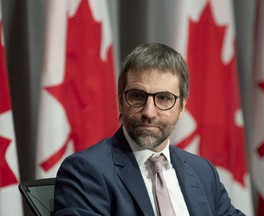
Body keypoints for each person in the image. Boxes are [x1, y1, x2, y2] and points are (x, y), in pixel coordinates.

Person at [53, 43, 245, 216]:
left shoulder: (203, 171)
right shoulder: (85, 170)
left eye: (163, 98)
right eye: (137, 96)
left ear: (181, 108)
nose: (149, 112)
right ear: (120, 101)